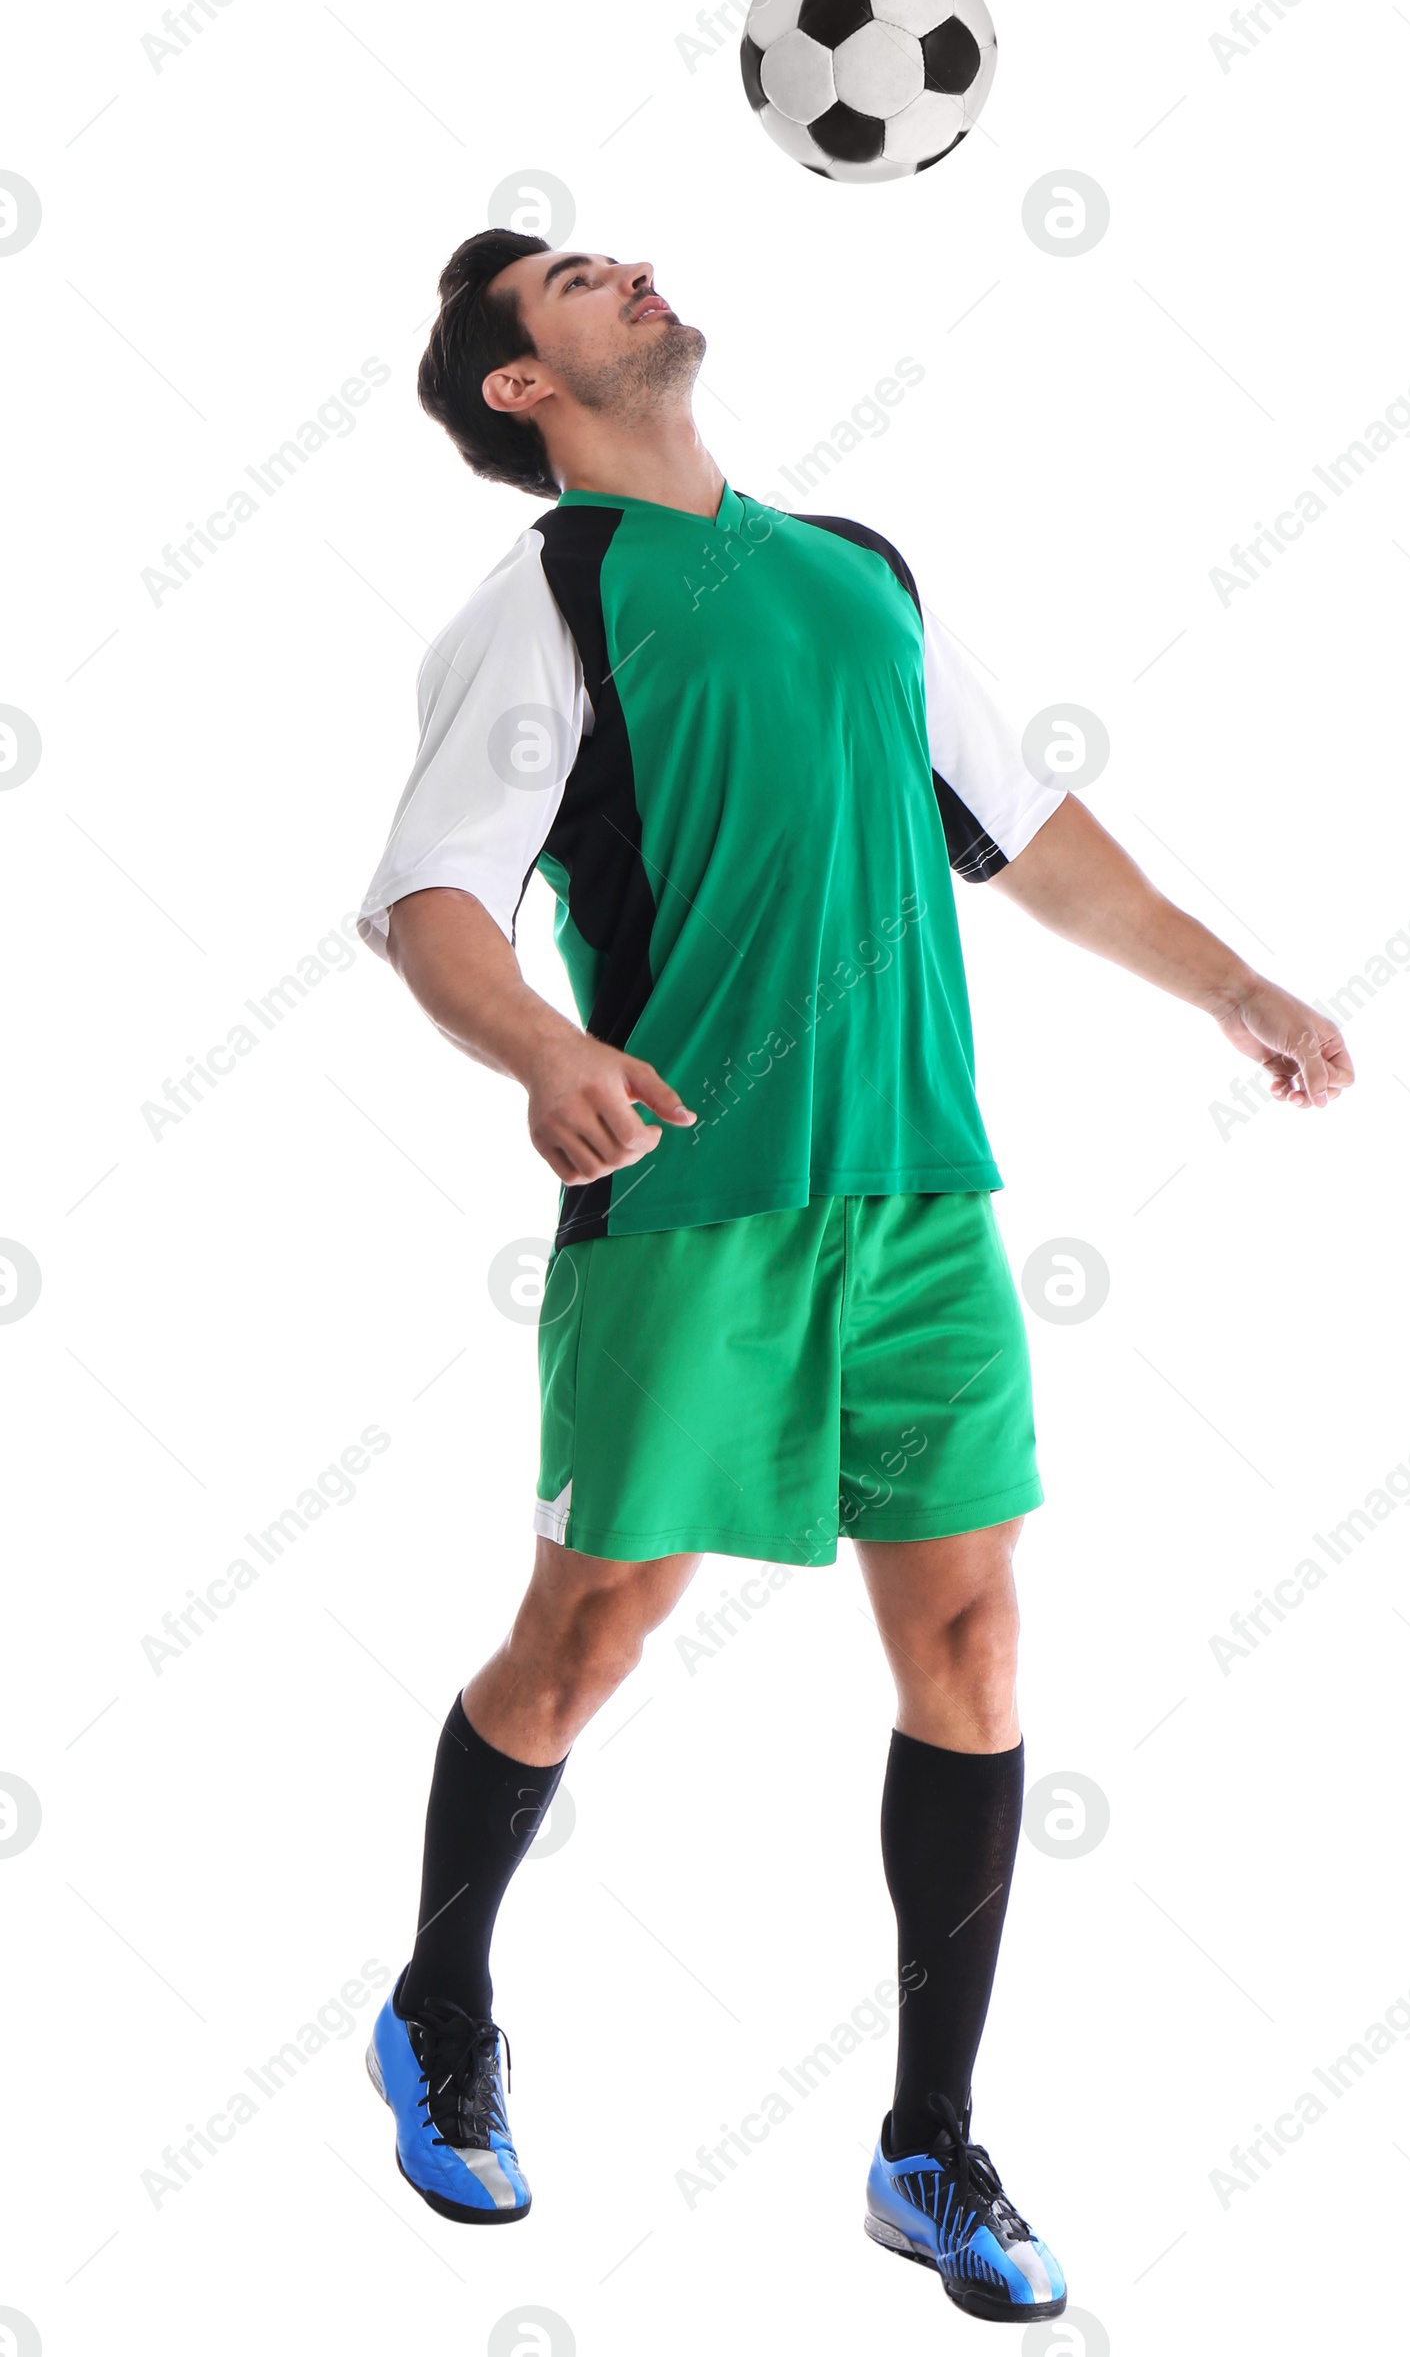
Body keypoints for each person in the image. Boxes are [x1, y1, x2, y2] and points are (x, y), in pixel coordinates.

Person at [356, 231, 1353, 2316]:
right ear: (518, 390)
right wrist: (546, 1045)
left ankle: (925, 2144)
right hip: (688, 1200)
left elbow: (1031, 834)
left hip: (917, 1200)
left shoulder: (858, 572)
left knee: (974, 1650)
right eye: (562, 281)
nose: (621, 271)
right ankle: (436, 2003)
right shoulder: (545, 600)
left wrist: (1228, 981)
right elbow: (432, 897)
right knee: (586, 1634)